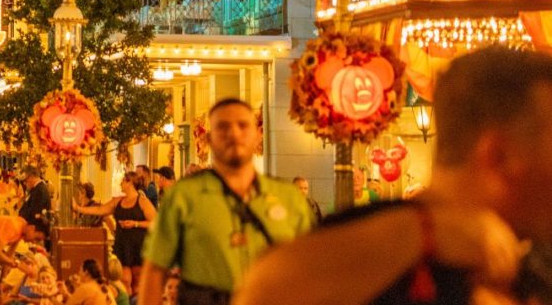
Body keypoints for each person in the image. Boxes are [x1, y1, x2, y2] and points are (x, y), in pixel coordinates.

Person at [235, 45, 552, 305]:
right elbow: (264, 289)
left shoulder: (535, 257)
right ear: (498, 155)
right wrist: (425, 233)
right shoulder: (389, 247)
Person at [138, 98, 313, 305]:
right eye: (223, 127)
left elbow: (309, 271)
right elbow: (155, 269)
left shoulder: (289, 198)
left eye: (243, 125)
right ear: (209, 139)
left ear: (258, 136)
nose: (234, 133)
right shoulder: (184, 196)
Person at [73, 171, 156, 295]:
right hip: (122, 245)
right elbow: (100, 210)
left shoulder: (142, 201)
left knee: (138, 281)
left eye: (123, 181)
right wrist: (78, 208)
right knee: (124, 280)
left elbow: (156, 223)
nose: (120, 183)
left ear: (130, 182)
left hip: (138, 245)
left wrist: (135, 224)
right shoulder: (118, 201)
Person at [17, 169, 51, 239]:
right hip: (31, 228)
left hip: (36, 229)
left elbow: (35, 210)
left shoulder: (40, 190)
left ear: (32, 177)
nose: (24, 183)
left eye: (25, 180)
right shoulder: (35, 189)